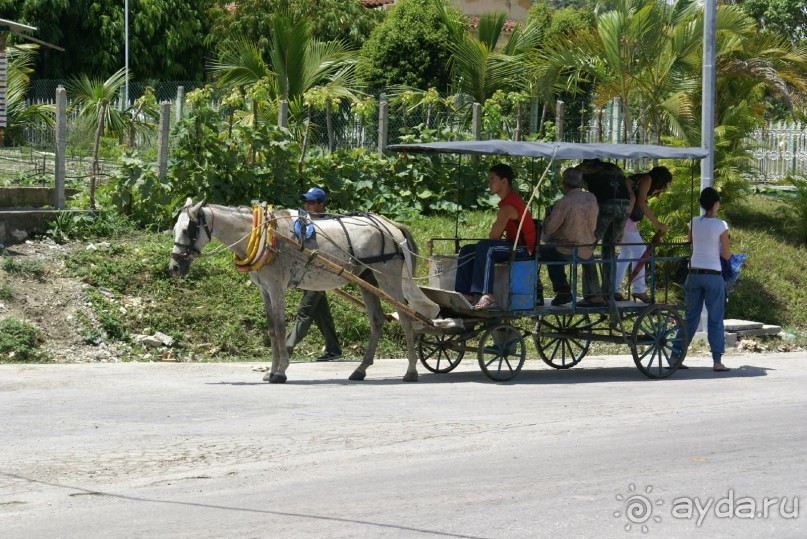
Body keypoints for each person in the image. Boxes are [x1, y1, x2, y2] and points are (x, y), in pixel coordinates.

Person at [454, 163, 536, 310]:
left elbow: (493, 236)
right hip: (512, 244)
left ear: (504, 182)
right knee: (467, 249)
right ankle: (465, 294)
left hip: (523, 249)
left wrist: (494, 230)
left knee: (486, 247)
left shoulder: (509, 206)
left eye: (492, 179)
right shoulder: (506, 202)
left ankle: (488, 295)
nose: (489, 183)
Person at [671, 187, 731, 372]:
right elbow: (727, 255)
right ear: (715, 204)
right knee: (715, 318)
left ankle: (675, 356)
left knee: (690, 318)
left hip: (693, 274)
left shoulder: (693, 222)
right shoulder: (721, 225)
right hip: (713, 275)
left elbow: (691, 244)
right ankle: (717, 361)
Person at [285, 187, 343, 362]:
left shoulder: (329, 226)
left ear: (321, 205)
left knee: (305, 312)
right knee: (321, 313)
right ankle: (334, 349)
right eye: (306, 202)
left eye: (311, 202)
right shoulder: (304, 224)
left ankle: (286, 347)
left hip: (321, 275)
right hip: (307, 275)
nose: (307, 205)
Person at [574, 159, 635, 306]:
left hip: (606, 204)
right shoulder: (614, 167)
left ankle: (593, 294)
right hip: (624, 206)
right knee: (609, 248)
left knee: (586, 248)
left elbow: (575, 189)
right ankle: (610, 290)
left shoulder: (584, 169)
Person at [538, 168, 600, 306]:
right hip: (587, 249)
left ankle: (561, 289)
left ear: (564, 183)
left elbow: (548, 229)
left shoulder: (564, 202)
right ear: (581, 183)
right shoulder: (591, 198)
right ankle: (592, 293)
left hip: (567, 250)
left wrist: (549, 215)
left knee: (540, 252)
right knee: (552, 250)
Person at [614, 166, 673, 303]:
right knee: (640, 251)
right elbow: (640, 201)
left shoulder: (640, 179)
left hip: (624, 219)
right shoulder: (647, 178)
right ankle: (639, 290)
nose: (663, 188)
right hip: (626, 220)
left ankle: (613, 289)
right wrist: (657, 224)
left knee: (626, 253)